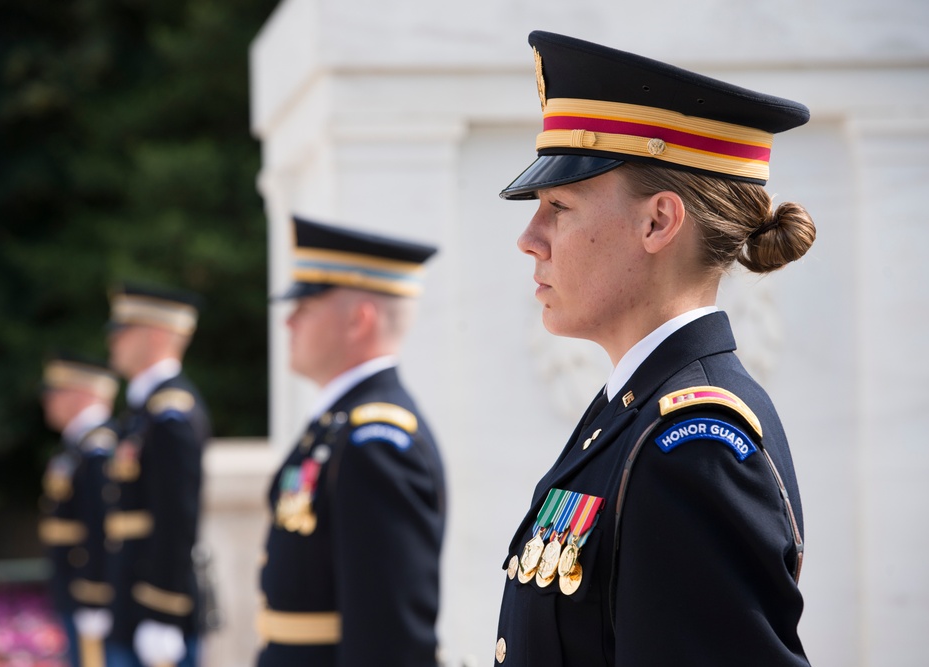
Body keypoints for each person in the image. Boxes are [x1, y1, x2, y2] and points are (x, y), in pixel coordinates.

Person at [492, 31, 815, 666]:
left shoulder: (693, 447)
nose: (530, 238)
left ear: (659, 222)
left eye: (558, 205)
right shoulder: (632, 416)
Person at [257, 216, 446, 667]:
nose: (288, 323)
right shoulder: (339, 427)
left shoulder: (376, 443)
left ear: (359, 320)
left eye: (305, 307)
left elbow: (389, 638)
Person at [102, 283, 212, 667]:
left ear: (156, 335)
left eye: (123, 329)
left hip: (154, 609)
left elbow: (177, 519)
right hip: (131, 603)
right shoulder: (142, 413)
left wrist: (163, 612)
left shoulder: (171, 414)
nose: (112, 340)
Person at [38, 352, 120, 667]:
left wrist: (95, 594)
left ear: (84, 392)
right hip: (75, 590)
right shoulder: (77, 448)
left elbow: (102, 527)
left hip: (92, 596)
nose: (49, 402)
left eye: (57, 392)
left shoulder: (98, 449)